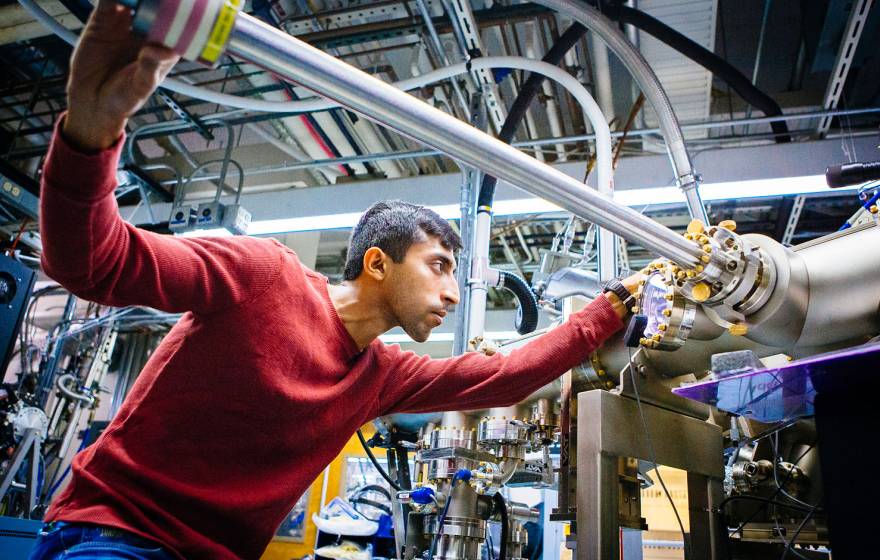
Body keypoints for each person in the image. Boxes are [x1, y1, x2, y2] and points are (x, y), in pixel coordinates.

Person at [29, 1, 638, 559]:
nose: (453, 294)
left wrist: (613, 306)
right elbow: (92, 262)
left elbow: (506, 377)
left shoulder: (380, 377)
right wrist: (90, 130)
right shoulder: (262, 274)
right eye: (439, 266)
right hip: (118, 534)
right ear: (377, 263)